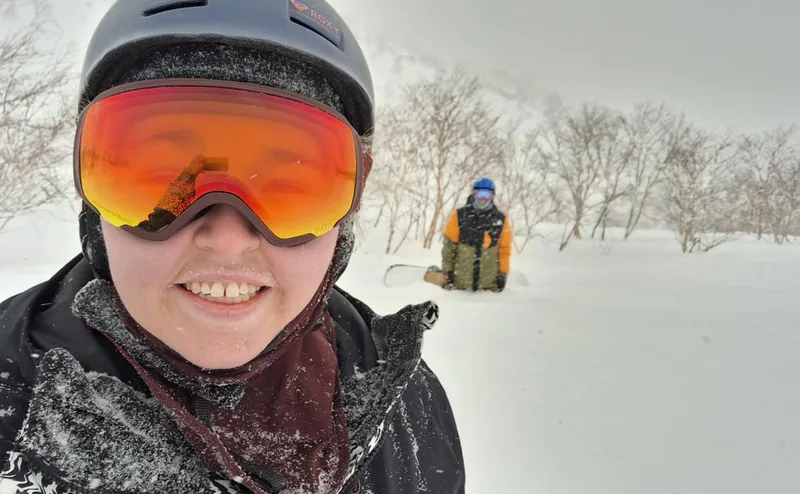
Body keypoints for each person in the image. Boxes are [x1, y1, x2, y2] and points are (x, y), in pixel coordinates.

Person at [0, 1, 465, 493]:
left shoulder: (407, 406)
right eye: (163, 176)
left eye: (290, 186)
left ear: (346, 214)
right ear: (93, 198)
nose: (225, 239)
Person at [441, 178, 512, 292]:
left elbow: (504, 249)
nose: (483, 199)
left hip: (487, 286)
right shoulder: (459, 215)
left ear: (492, 196)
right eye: (480, 194)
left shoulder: (500, 220)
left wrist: (503, 274)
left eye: (487, 195)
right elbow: (449, 247)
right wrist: (447, 271)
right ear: (474, 194)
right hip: (460, 285)